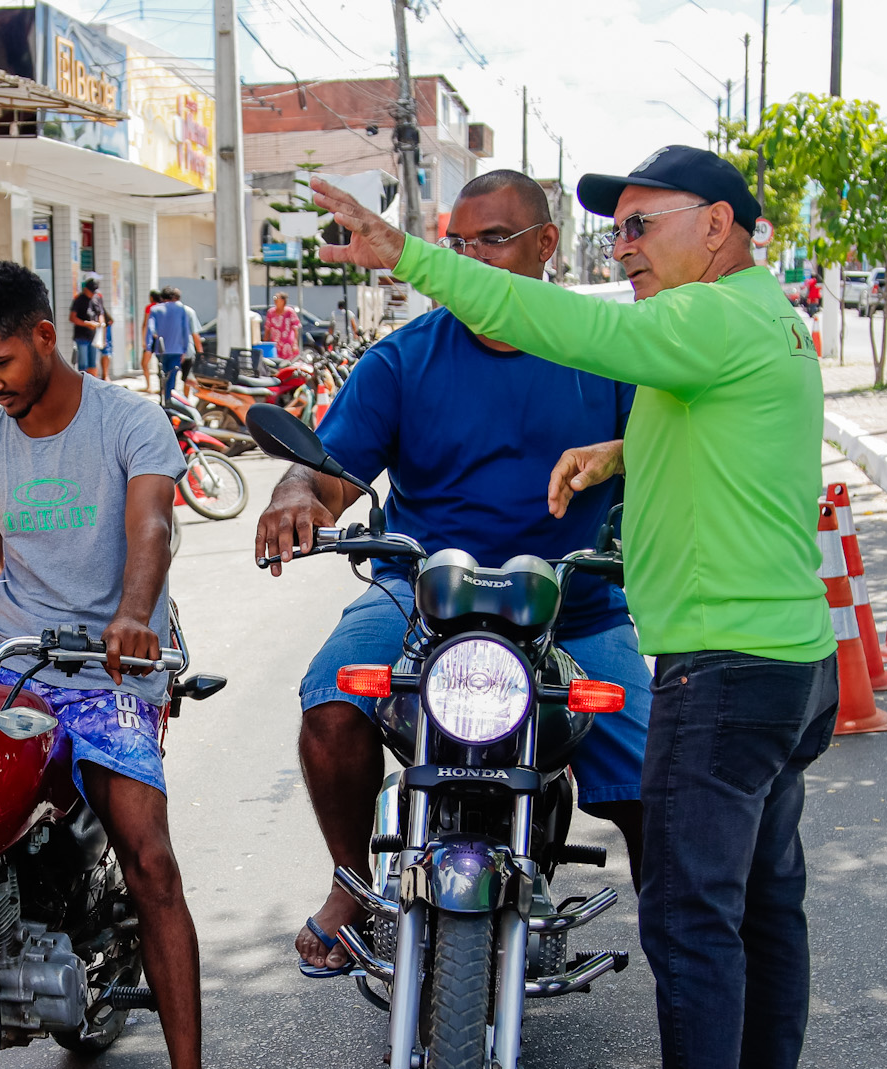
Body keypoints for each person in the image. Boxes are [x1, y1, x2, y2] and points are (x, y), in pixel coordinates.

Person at [313, 144, 837, 1069]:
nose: (625, 246)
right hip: (788, 658)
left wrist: (409, 255)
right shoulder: (759, 320)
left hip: (723, 668)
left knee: (692, 923)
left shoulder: (705, 319)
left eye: (645, 225)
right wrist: (616, 452)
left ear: (719, 226)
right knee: (760, 911)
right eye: (620, 227)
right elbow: (714, 428)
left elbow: (561, 326)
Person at [0, 260, 261, 1069]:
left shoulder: (128, 421)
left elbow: (152, 530)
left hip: (112, 666)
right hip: (11, 655)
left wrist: (134, 614)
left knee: (150, 856)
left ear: (45, 336)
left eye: (2, 362)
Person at [257, 169, 650, 982]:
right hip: (419, 599)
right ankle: (352, 881)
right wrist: (295, 492)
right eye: (458, 243)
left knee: (659, 777)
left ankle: (681, 937)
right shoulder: (403, 358)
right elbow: (330, 472)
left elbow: (669, 458)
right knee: (330, 705)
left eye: (492, 240)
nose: (470, 258)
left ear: (546, 245)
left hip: (573, 609)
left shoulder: (608, 350)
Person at [146, 286, 199, 405]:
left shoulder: (155, 309)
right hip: (177, 350)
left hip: (160, 350)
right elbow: (185, 331)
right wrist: (185, 349)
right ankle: (169, 402)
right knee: (172, 378)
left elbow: (150, 329)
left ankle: (164, 400)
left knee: (162, 376)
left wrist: (149, 347)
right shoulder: (181, 309)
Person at [69, 275, 109, 379]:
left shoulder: (97, 298)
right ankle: (83, 383)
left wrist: (101, 324)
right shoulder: (79, 300)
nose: (92, 294)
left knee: (93, 363)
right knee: (83, 364)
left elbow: (101, 313)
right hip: (82, 336)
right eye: (91, 291)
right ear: (86, 289)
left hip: (94, 336)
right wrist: (87, 323)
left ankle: (92, 382)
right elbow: (72, 318)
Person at [264, 291, 302, 361]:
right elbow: (267, 329)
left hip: (288, 345)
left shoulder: (290, 312)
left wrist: (295, 343)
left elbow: (295, 328)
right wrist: (265, 343)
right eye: (274, 298)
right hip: (276, 344)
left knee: (290, 362)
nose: (275, 300)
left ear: (283, 300)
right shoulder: (271, 312)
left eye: (276, 298)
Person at [140, 287, 162, 392]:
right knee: (161, 364)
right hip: (160, 339)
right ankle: (162, 387)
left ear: (151, 297)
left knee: (144, 363)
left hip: (150, 339)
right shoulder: (162, 308)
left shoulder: (149, 308)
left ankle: (149, 386)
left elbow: (145, 324)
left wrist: (143, 340)